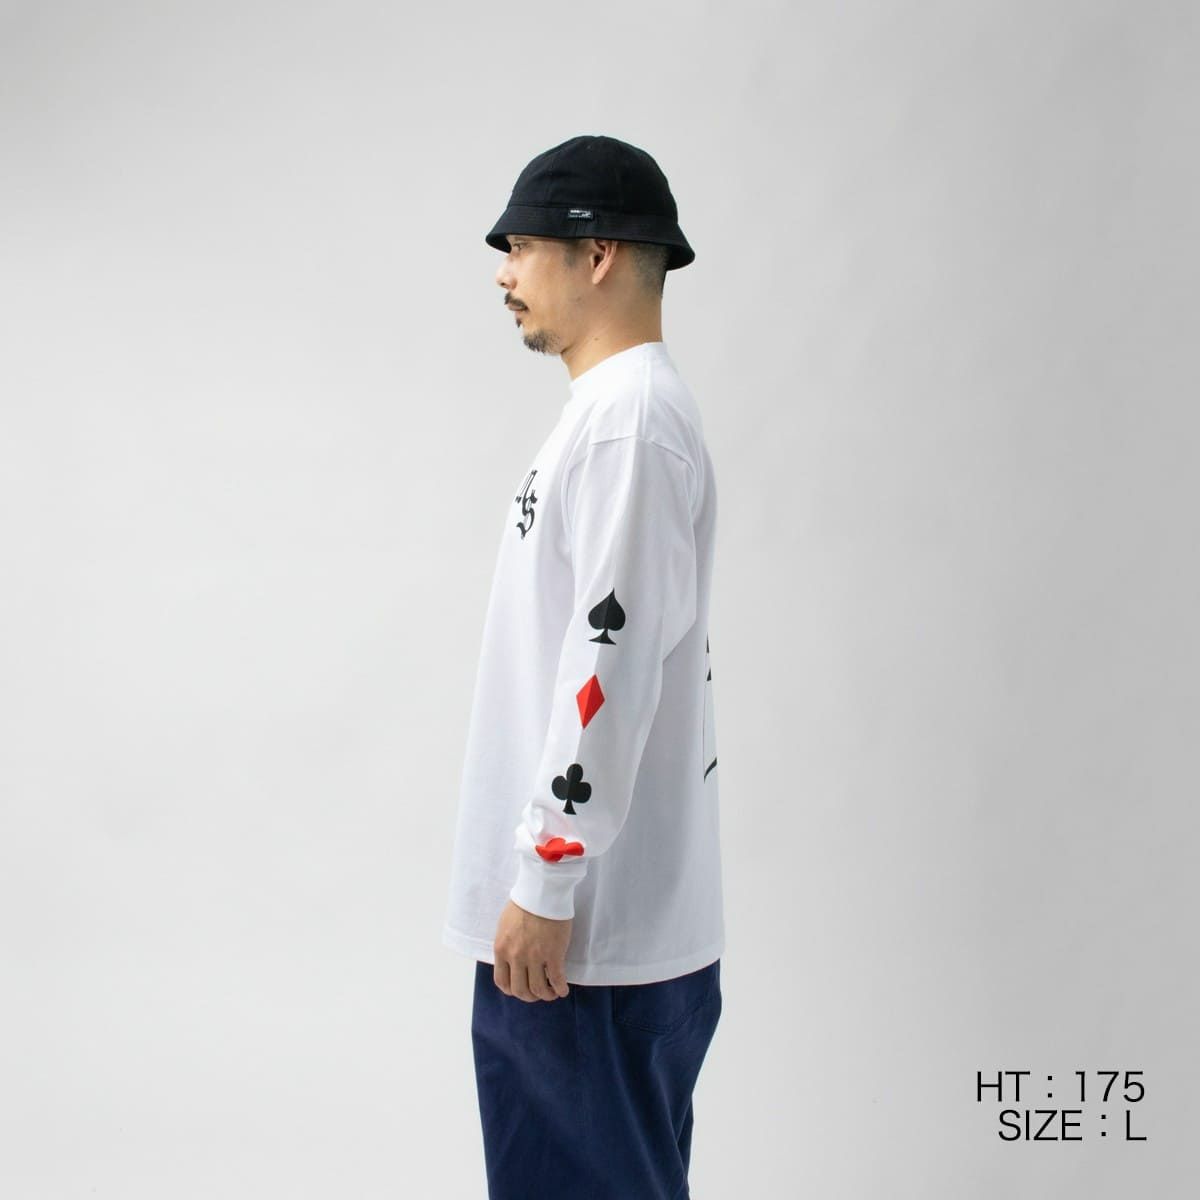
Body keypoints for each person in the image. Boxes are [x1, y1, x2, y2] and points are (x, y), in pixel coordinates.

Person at [441, 133, 724, 1200]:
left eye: (519, 247)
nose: (504, 274)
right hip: (592, 937)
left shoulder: (627, 430)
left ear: (597, 252)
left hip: (584, 947)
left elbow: (611, 662)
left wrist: (546, 876)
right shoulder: (612, 419)